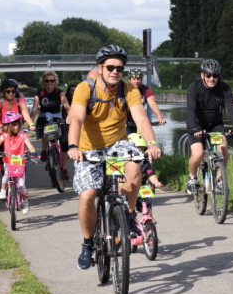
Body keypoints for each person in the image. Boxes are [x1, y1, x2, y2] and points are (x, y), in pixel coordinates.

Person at [67, 45, 162, 270]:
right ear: (100, 68)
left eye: (120, 68)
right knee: (89, 195)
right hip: (88, 147)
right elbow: (77, 119)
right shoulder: (85, 88)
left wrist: (152, 143)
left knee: (135, 164)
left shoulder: (129, 89)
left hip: (116, 145)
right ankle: (88, 244)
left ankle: (128, 215)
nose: (115, 71)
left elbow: (140, 119)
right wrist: (72, 145)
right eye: (110, 67)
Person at [185, 59, 233, 195]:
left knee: (222, 148)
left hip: (215, 124)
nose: (212, 78)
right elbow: (191, 110)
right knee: (198, 153)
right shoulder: (194, 88)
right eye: (208, 75)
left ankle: (220, 181)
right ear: (202, 75)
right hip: (197, 124)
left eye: (215, 75)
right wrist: (194, 128)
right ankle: (192, 177)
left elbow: (232, 108)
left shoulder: (224, 88)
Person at [0, 111, 38, 213]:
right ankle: (3, 192)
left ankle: (25, 201)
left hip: (20, 162)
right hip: (8, 161)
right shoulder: (4, 135)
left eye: (17, 125)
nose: (16, 127)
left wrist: (33, 151)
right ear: (7, 126)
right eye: (13, 125)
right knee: (6, 176)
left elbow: (29, 145)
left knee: (21, 185)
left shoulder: (22, 135)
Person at [29, 71, 70, 181]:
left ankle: (64, 169)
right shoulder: (39, 94)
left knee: (64, 143)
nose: (49, 83)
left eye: (52, 81)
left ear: (55, 82)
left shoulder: (59, 93)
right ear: (43, 82)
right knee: (43, 128)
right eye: (47, 81)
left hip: (58, 117)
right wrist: (30, 122)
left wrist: (72, 117)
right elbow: (34, 110)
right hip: (44, 116)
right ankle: (44, 150)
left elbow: (66, 106)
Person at [0, 79, 36, 177]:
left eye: (13, 91)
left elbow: (26, 115)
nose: (11, 93)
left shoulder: (20, 101)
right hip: (3, 130)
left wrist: (31, 124)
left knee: (22, 141)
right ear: (3, 92)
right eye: (8, 91)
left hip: (16, 129)